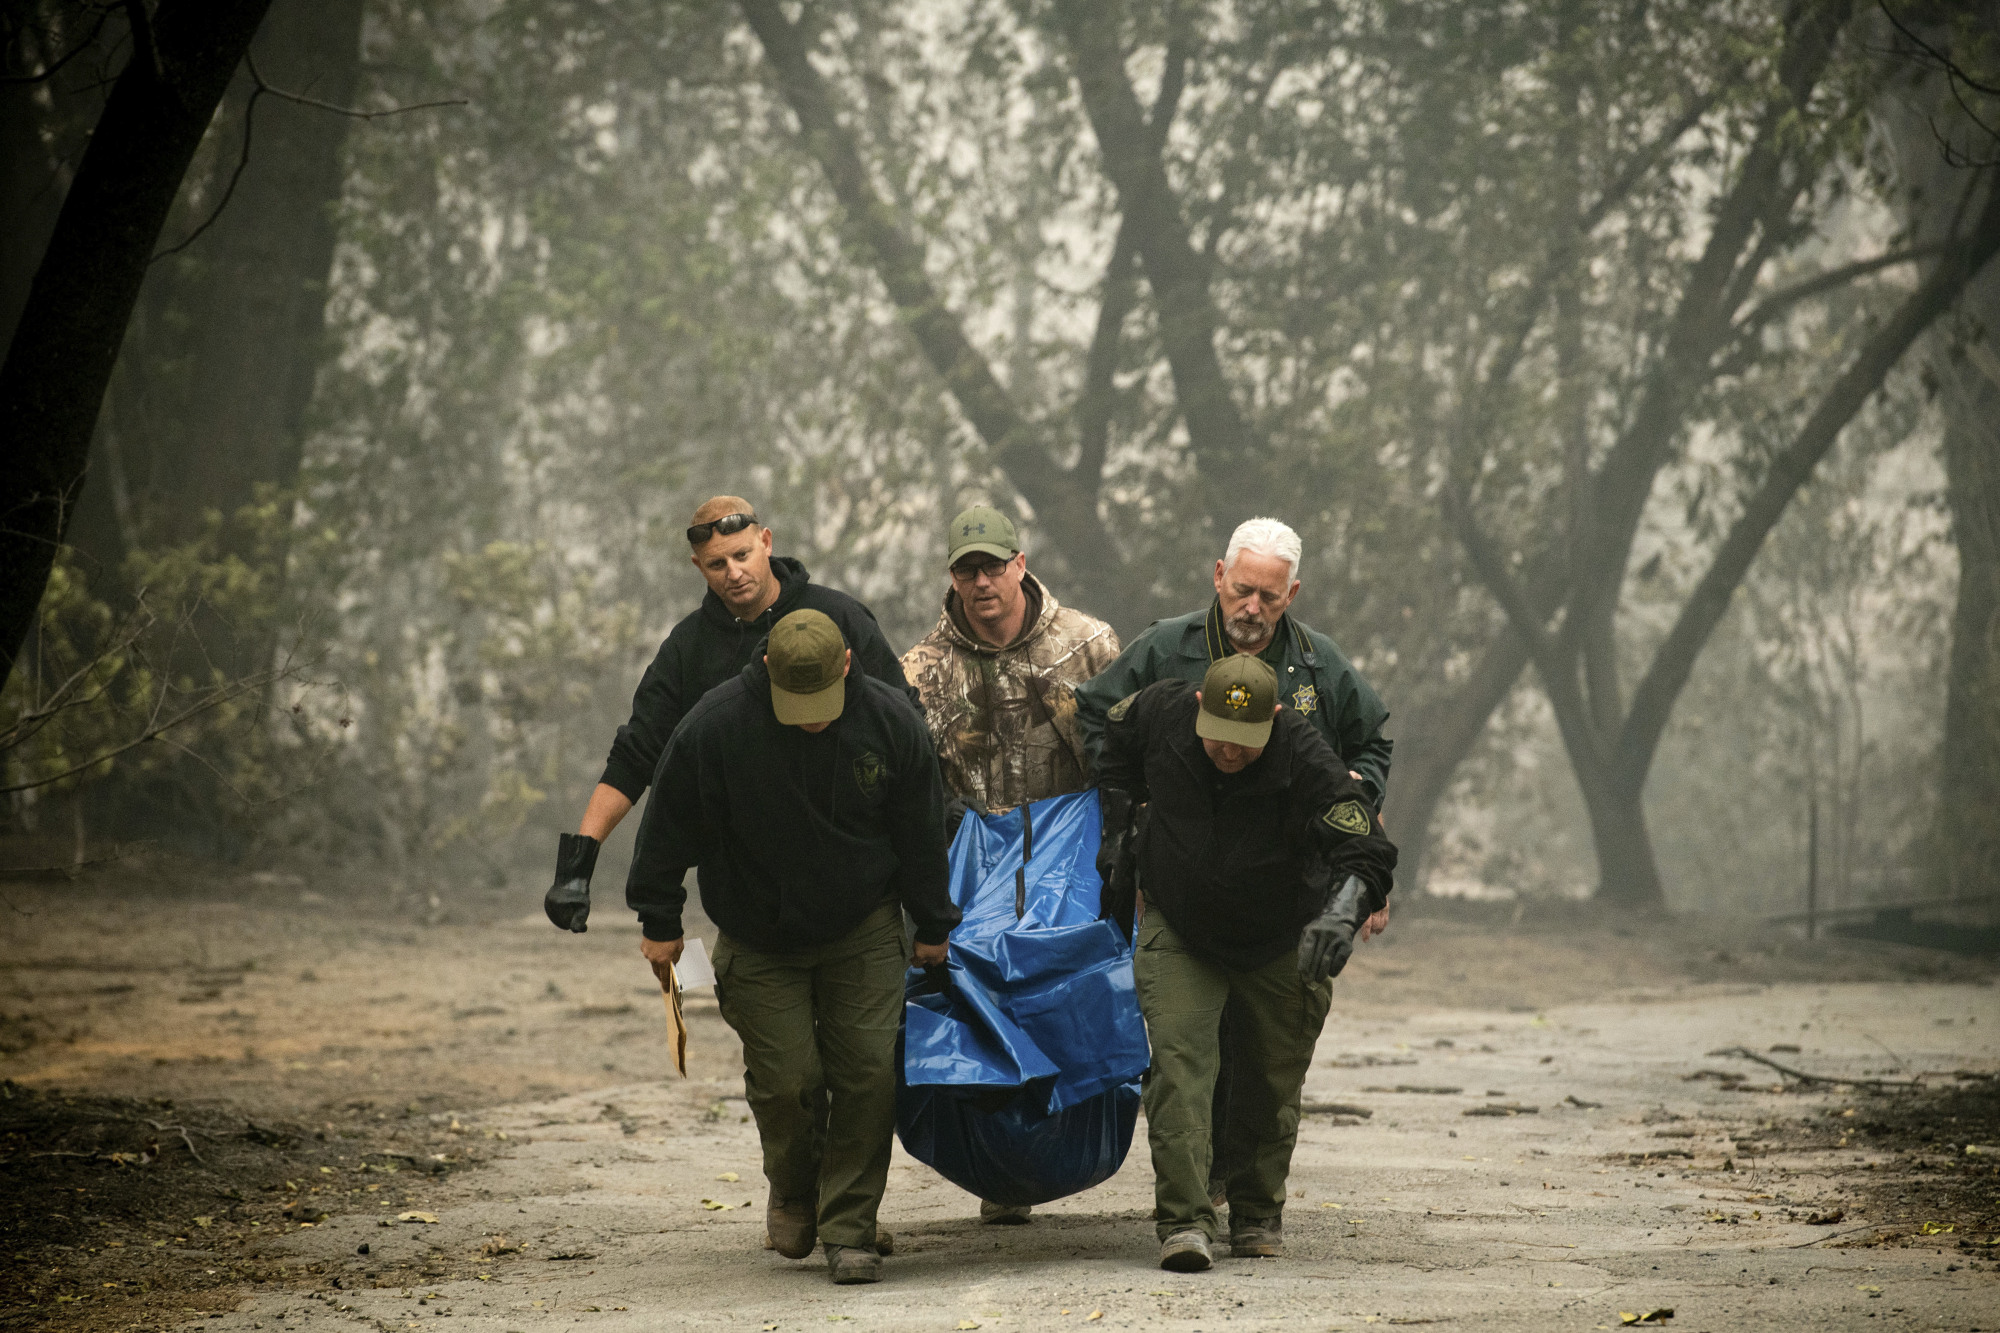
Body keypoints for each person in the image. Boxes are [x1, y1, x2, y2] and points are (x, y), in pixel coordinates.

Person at [622, 609, 961, 1285]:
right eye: (795, 705)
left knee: (866, 1074)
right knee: (787, 1082)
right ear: (767, 671)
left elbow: (921, 832)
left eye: (825, 703)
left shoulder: (891, 723)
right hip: (758, 933)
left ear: (846, 668)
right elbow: (667, 827)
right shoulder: (715, 727)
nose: (813, 718)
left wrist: (932, 923)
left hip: (861, 924)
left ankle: (849, 1227)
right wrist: (660, 918)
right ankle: (793, 1186)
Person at [1071, 516, 1394, 1203]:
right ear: (1218, 576)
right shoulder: (1167, 651)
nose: (1252, 608)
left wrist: (1357, 807)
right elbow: (1100, 719)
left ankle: (1244, 1188)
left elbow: (1372, 745)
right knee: (1187, 1046)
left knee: (1263, 1058)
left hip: (1287, 878)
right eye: (1242, 589)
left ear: (1292, 594)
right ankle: (1191, 1197)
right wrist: (1130, 817)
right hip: (1185, 872)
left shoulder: (1317, 667)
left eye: (1268, 598)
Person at [1094, 655, 1396, 1271]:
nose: (1229, 753)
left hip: (1279, 937)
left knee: (1270, 1078)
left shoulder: (1306, 758)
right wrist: (1123, 833)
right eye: (1219, 739)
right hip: (1182, 926)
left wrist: (1340, 914)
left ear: (1275, 718)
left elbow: (1368, 849)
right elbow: (1110, 753)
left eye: (1246, 744)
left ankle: (1256, 1211)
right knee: (1179, 1068)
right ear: (1196, 708)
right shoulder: (1158, 711)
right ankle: (1183, 1221)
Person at [545, 497, 913, 933]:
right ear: (699, 567)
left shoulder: (838, 618)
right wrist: (578, 864)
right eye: (717, 564)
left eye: (742, 555)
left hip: (858, 885)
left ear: (766, 542)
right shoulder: (688, 650)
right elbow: (635, 756)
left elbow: (907, 727)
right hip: (749, 899)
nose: (734, 573)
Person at [899, 503, 1120, 1225]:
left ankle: (1088, 1148)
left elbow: (1125, 758)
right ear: (952, 577)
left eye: (994, 565)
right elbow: (918, 786)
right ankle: (1003, 1166)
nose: (982, 580)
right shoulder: (922, 671)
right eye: (967, 569)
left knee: (1081, 999)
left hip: (1074, 857)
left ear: (1021, 563)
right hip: (972, 862)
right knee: (972, 1004)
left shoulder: (1088, 645)